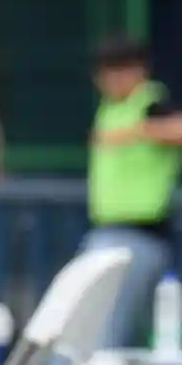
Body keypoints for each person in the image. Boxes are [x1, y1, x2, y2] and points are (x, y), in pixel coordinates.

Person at [83, 36, 181, 348]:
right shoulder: (112, 108)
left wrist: (137, 132)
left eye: (120, 70)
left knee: (107, 333)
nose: (111, 80)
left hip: (138, 235)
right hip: (106, 232)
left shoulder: (152, 102)